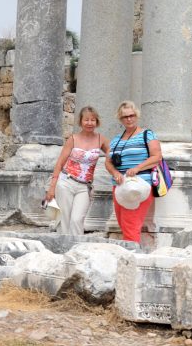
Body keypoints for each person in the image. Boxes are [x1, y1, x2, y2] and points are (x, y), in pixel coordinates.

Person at [44, 106, 110, 235]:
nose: (89, 123)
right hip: (66, 182)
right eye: (86, 120)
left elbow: (113, 155)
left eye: (93, 120)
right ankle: (62, 248)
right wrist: (52, 188)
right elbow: (59, 164)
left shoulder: (101, 139)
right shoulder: (73, 139)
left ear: (97, 122)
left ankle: (76, 247)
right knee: (64, 218)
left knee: (77, 219)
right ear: (80, 122)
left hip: (84, 186)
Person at [104, 101, 162, 243]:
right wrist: (115, 173)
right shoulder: (116, 140)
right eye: (125, 117)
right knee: (124, 224)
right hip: (119, 185)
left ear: (137, 116)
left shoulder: (147, 135)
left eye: (132, 115)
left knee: (130, 226)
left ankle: (132, 259)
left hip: (139, 184)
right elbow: (108, 162)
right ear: (120, 119)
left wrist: (137, 168)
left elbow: (157, 157)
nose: (129, 119)